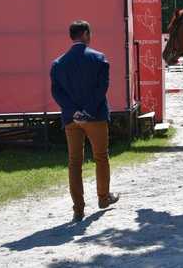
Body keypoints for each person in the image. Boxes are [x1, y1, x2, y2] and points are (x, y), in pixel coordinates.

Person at [50, 20, 119, 222]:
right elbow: (101, 88)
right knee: (101, 157)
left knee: (74, 162)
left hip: (71, 119)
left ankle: (78, 209)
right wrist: (87, 111)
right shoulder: (99, 59)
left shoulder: (58, 63)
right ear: (86, 34)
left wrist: (74, 111)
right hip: (95, 115)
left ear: (72, 36)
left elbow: (56, 92)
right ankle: (104, 198)